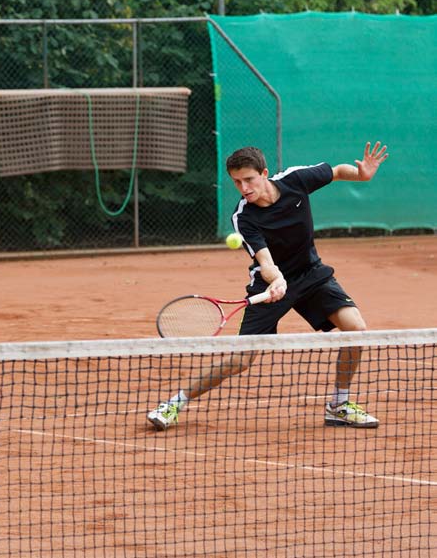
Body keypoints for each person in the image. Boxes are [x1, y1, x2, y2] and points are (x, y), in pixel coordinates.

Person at [147, 141, 389, 432]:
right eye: (237, 182)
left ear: (264, 173)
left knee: (356, 330)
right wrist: (276, 280)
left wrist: (360, 175)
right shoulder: (244, 216)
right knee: (240, 360)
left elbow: (336, 171)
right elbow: (265, 260)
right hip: (268, 284)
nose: (244, 188)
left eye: (249, 179)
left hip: (312, 273)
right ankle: (175, 402)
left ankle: (339, 405)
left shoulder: (296, 180)